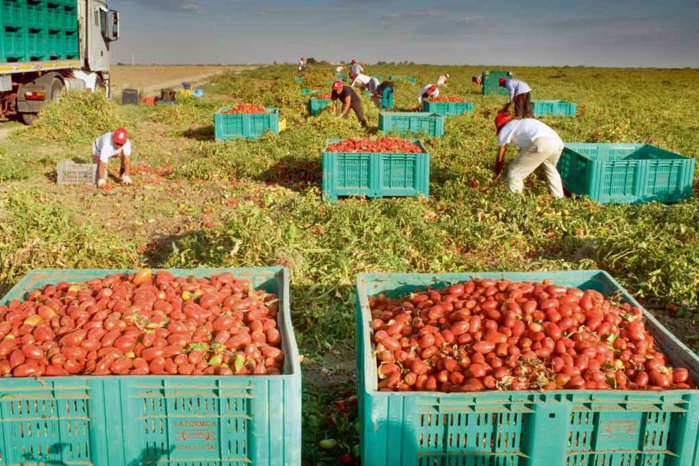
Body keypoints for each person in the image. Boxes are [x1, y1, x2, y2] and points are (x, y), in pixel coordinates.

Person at [493, 113, 564, 198]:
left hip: (541, 143)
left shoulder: (505, 129)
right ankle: (559, 198)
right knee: (551, 169)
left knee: (514, 172)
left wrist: (497, 171)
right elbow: (527, 151)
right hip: (558, 143)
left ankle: (514, 201)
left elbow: (501, 151)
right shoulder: (521, 123)